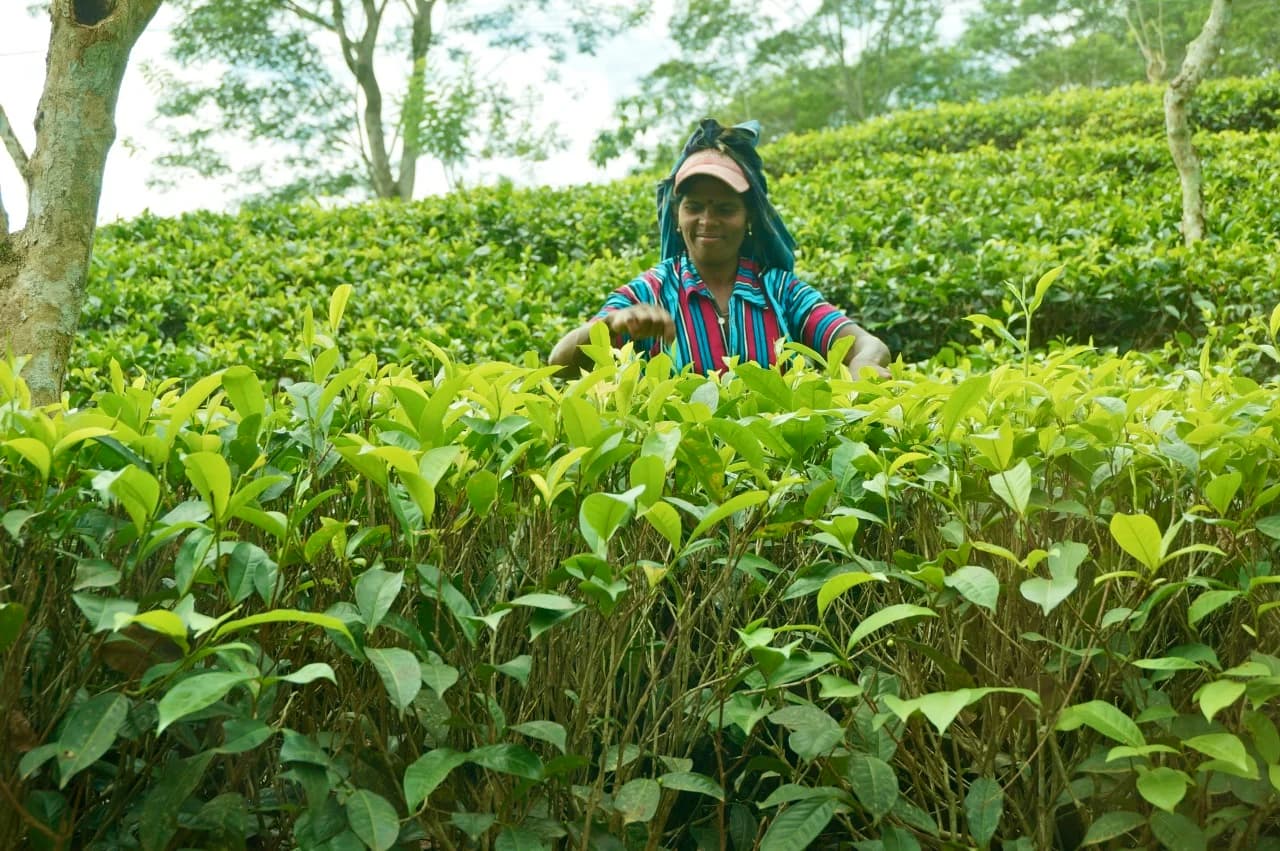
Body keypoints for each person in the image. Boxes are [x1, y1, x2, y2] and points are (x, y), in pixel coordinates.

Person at [549, 118, 890, 378]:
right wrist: (611, 327)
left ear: (749, 218)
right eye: (694, 207)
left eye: (725, 209)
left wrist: (864, 364)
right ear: (677, 216)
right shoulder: (648, 293)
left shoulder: (780, 292)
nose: (707, 220)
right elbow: (559, 364)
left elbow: (866, 344)